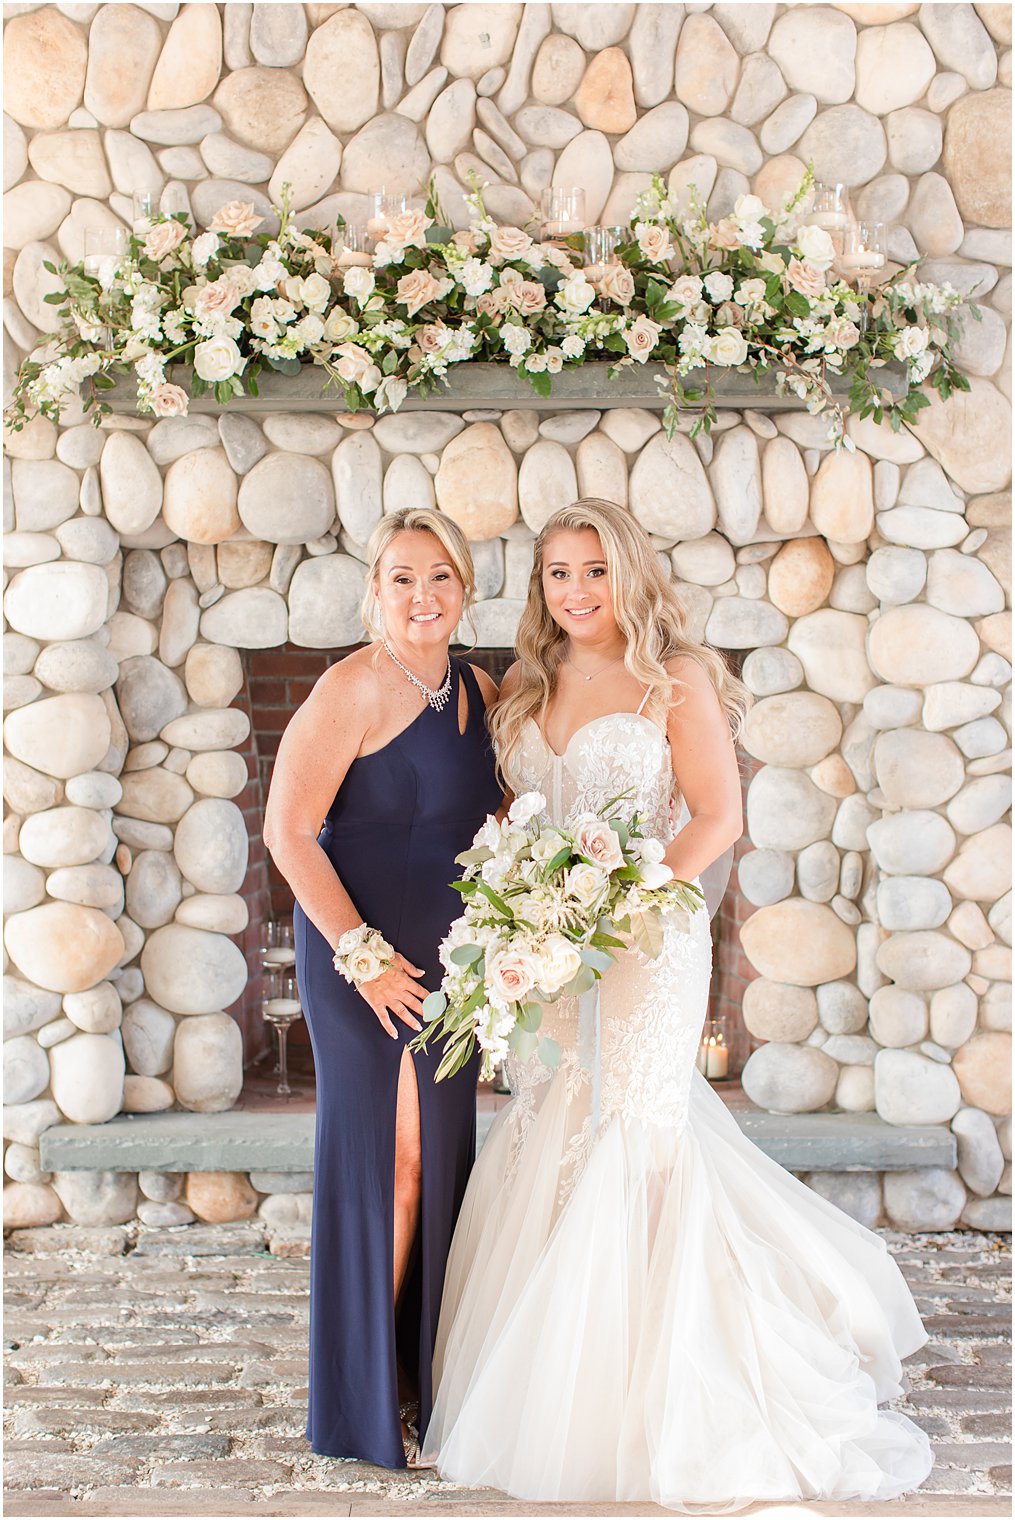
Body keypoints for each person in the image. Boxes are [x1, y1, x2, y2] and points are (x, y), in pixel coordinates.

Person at [422, 499, 933, 1509]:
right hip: (549, 949)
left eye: (594, 571)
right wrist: (522, 908)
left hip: (648, 940)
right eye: (558, 572)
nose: (576, 591)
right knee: (558, 1118)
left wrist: (620, 902)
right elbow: (515, 811)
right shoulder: (525, 684)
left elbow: (716, 815)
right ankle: (561, 1374)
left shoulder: (675, 678)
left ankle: (668, 1380)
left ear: (628, 574)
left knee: (640, 1129)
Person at [264, 507, 502, 1469]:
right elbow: (287, 833)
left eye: (439, 576)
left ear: (465, 589)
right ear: (374, 588)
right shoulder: (348, 687)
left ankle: (422, 1382)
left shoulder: (481, 690)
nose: (421, 596)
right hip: (360, 956)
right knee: (390, 1161)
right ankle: (364, 1403)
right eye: (402, 577)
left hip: (450, 961)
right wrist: (360, 954)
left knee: (441, 1159)